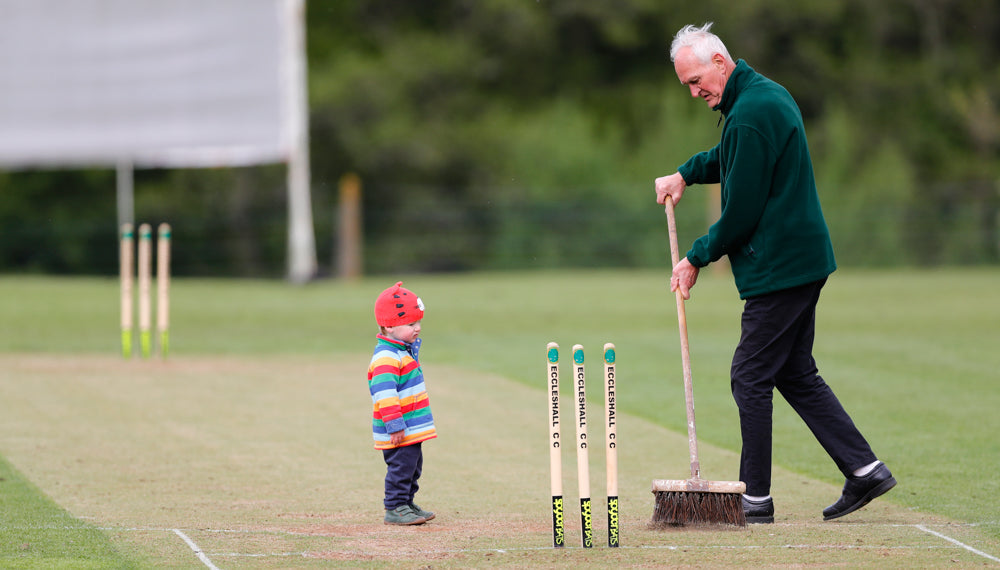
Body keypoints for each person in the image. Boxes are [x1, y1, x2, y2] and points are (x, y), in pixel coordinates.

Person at [654, 23, 895, 523]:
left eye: (697, 79)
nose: (695, 91)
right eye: (687, 85)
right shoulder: (760, 98)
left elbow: (741, 211)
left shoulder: (750, 112)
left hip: (782, 266)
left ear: (720, 62)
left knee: (749, 375)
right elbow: (733, 158)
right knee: (793, 371)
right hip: (801, 261)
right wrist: (686, 173)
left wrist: (696, 257)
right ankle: (865, 469)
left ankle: (755, 500)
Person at [368, 281, 437, 525]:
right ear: (388, 326)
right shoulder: (387, 357)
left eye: (418, 322)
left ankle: (406, 502)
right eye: (410, 324)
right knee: (401, 468)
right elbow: (384, 393)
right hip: (398, 429)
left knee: (413, 467)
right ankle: (395, 507)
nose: (417, 328)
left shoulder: (402, 351)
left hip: (410, 428)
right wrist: (395, 425)